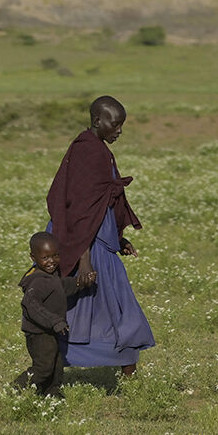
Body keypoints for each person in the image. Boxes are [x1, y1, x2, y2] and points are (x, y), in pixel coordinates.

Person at [46, 95, 155, 376]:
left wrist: (118, 240)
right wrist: (84, 260)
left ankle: (125, 368)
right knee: (113, 308)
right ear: (98, 121)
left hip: (98, 242)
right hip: (87, 246)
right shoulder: (88, 151)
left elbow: (97, 205)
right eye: (115, 124)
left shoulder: (97, 149)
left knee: (113, 307)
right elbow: (79, 210)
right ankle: (49, 366)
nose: (119, 130)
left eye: (122, 125)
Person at [14, 233, 95, 397]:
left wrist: (79, 282)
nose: (51, 261)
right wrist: (54, 321)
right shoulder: (37, 281)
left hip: (50, 330)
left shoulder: (51, 275)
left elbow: (61, 286)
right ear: (33, 257)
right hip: (39, 333)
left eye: (55, 256)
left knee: (56, 364)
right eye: (45, 258)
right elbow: (31, 304)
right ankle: (16, 388)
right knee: (43, 367)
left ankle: (52, 391)